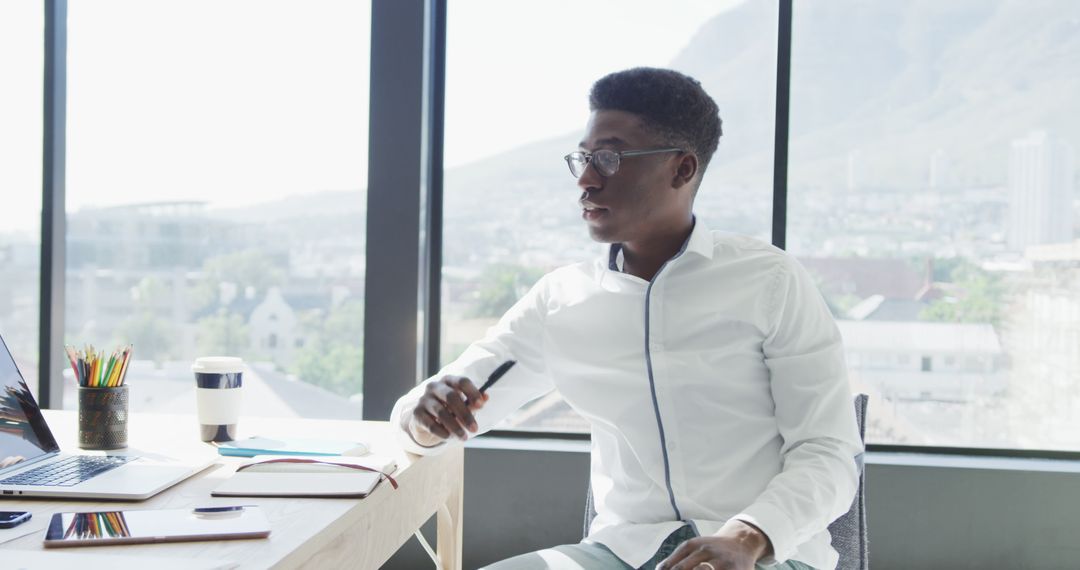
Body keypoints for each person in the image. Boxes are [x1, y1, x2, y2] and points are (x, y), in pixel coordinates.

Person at [390, 67, 861, 570]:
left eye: (610, 158)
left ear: (682, 169)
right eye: (584, 158)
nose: (587, 180)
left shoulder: (770, 282)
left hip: (764, 556)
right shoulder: (561, 300)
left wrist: (747, 538)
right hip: (618, 555)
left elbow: (828, 452)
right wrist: (426, 416)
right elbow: (425, 419)